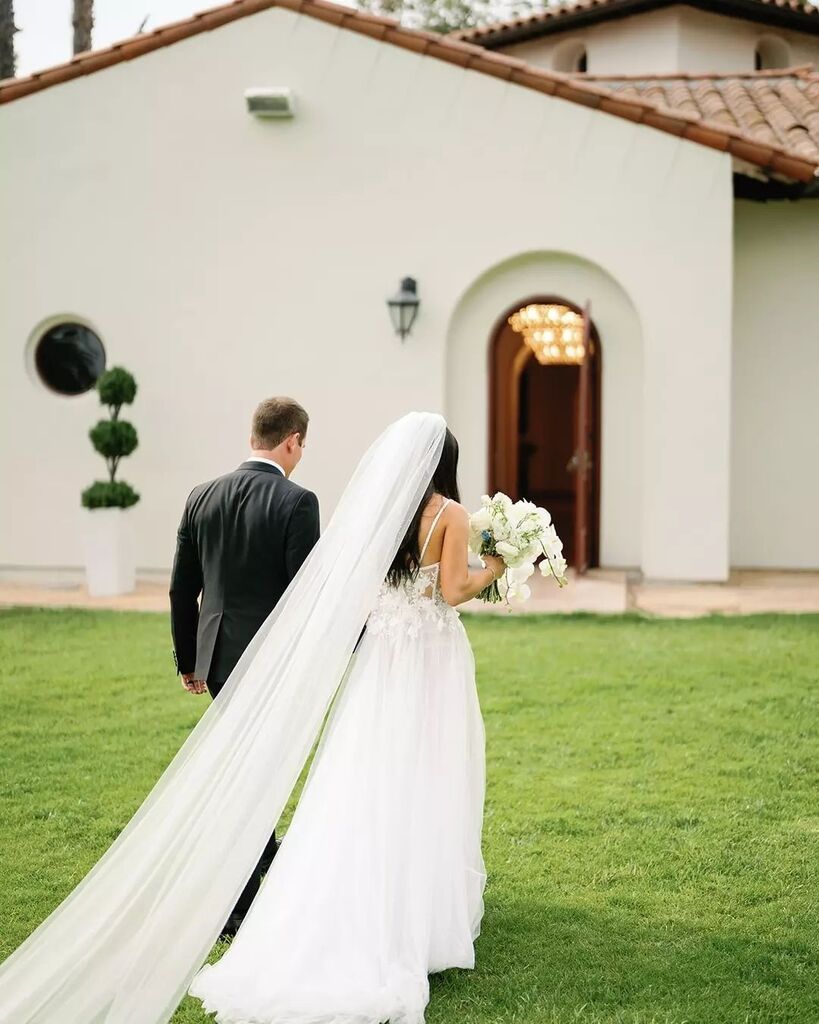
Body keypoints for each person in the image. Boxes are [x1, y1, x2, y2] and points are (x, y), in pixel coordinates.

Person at [189, 426, 505, 1024]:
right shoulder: (451, 514)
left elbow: (353, 591)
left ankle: (346, 894)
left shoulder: (377, 515)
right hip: (428, 659)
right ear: (444, 462)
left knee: (364, 771)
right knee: (427, 770)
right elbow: (457, 589)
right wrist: (498, 563)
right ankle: (417, 912)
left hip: (381, 659)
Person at [170, 395, 320, 934]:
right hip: (270, 664)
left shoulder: (200, 495)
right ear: (292, 440)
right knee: (254, 777)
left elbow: (182, 588)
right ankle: (239, 900)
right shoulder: (298, 502)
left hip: (216, 660)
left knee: (247, 769)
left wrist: (189, 658)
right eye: (303, 445)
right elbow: (308, 594)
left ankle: (265, 868)